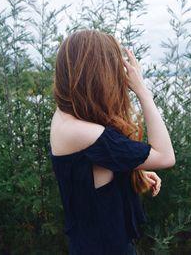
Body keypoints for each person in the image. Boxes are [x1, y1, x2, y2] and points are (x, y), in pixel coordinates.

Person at [49, 29, 175, 255]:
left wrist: (127, 172)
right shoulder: (85, 133)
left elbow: (86, 172)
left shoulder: (63, 117)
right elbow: (165, 156)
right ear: (99, 76)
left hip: (87, 244)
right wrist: (143, 92)